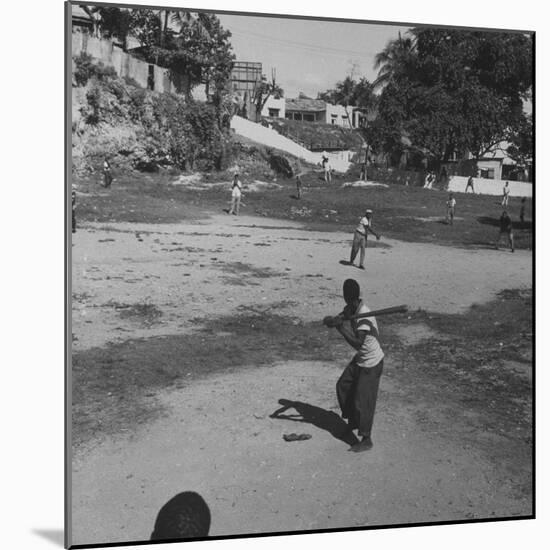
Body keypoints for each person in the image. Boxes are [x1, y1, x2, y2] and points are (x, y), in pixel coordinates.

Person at [324, 278, 385, 453]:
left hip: (371, 362)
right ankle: (352, 422)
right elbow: (342, 316)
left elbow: (358, 342)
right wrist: (332, 320)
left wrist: (340, 329)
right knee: (343, 385)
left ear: (348, 297)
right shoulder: (352, 307)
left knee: (363, 401)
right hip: (361, 359)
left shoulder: (364, 314)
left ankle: (366, 439)